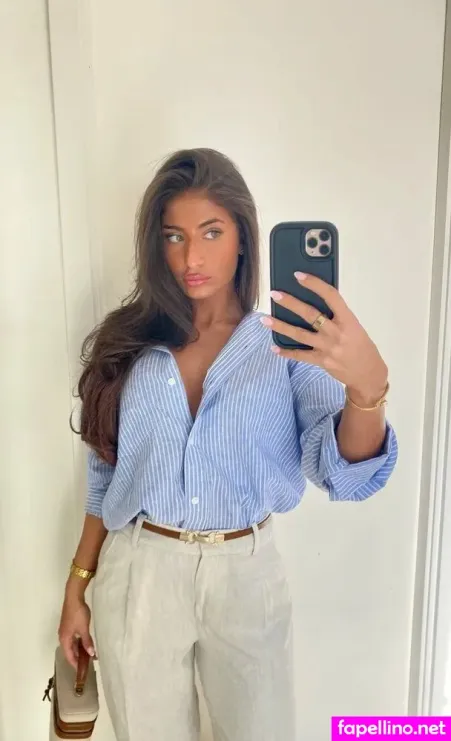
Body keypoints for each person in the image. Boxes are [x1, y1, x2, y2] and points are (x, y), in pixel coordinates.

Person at [58, 148, 398, 741]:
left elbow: (343, 471)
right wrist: (77, 586)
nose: (191, 257)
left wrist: (367, 390)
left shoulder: (286, 345)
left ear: (243, 239)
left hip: (246, 575)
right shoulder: (130, 342)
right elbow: (105, 473)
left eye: (211, 232)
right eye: (174, 236)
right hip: (140, 571)